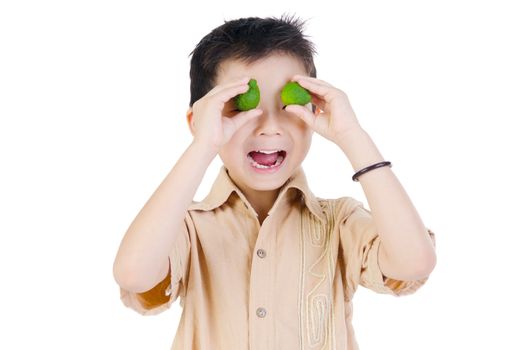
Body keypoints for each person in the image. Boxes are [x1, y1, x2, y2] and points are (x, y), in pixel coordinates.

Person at [113, 13, 437, 350]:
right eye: (239, 106)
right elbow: (134, 273)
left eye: (289, 105)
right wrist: (202, 145)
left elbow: (414, 262)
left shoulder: (338, 222)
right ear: (201, 120)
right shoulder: (187, 228)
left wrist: (352, 136)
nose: (269, 126)